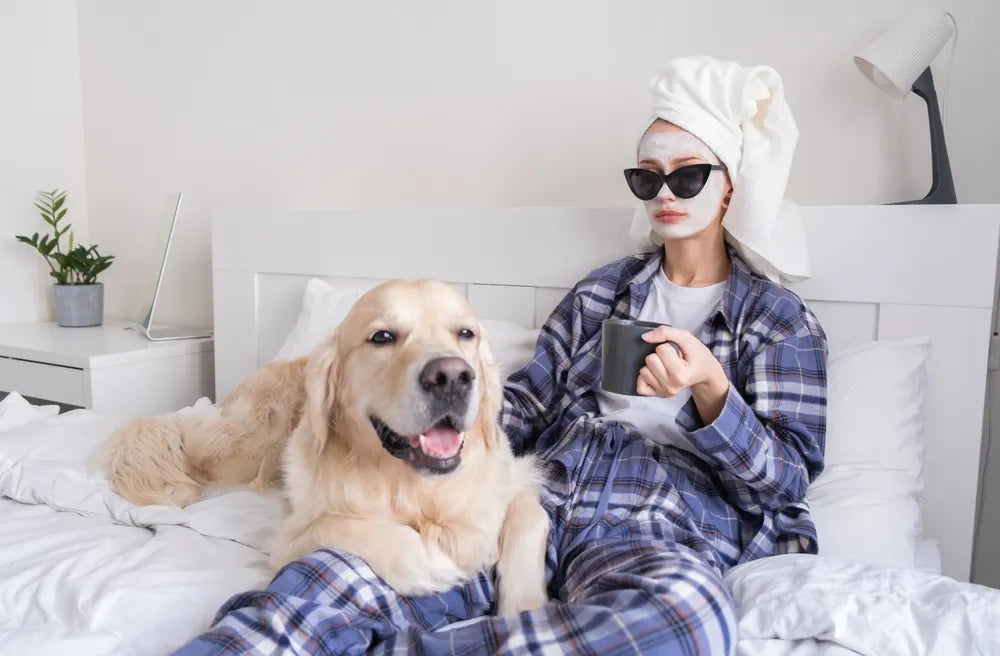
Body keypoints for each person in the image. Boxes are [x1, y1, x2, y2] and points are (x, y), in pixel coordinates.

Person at [174, 55, 827, 656]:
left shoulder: (778, 320)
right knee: (323, 578)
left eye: (687, 175)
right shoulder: (601, 294)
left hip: (652, 524)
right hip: (532, 505)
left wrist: (712, 391)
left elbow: (787, 481)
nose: (664, 193)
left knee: (689, 619)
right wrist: (416, 404)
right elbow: (517, 409)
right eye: (646, 177)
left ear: (731, 185)